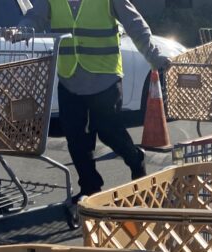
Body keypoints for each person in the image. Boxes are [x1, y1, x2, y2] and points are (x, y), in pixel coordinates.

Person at [9, 0, 171, 219]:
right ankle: (90, 189)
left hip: (104, 77)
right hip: (69, 78)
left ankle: (135, 158)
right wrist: (22, 30)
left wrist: (154, 56)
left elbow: (135, 25)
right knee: (76, 139)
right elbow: (35, 17)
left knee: (108, 132)